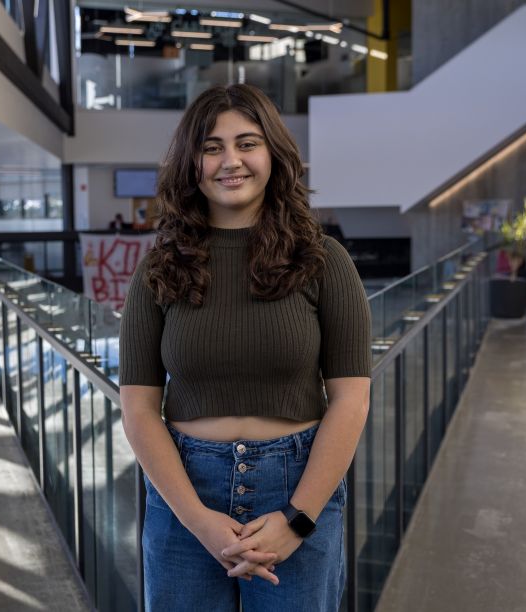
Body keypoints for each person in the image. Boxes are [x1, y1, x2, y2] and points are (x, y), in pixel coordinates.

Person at [118, 84, 371, 612]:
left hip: (299, 490)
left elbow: (351, 400)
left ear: (274, 156)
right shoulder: (159, 268)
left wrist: (296, 520)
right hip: (185, 495)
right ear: (192, 163)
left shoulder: (324, 261)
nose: (230, 161)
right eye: (211, 147)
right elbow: (139, 410)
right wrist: (199, 521)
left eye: (247, 143)